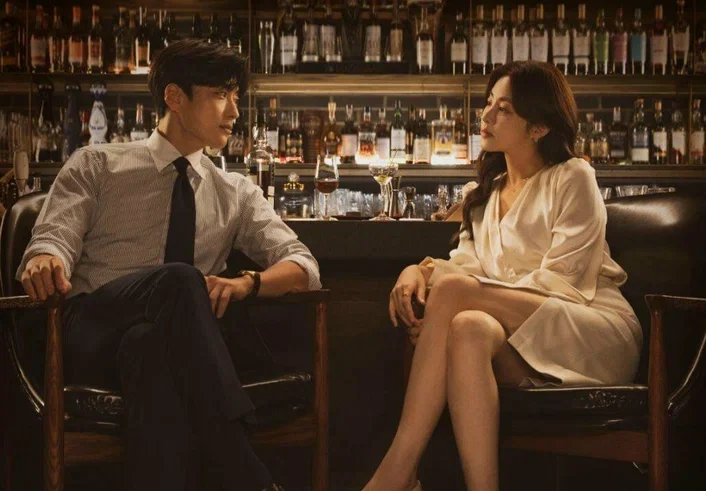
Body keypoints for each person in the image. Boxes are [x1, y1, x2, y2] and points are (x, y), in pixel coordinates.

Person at [17, 40, 321, 491]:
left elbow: (304, 267)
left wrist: (248, 283)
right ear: (175, 97)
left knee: (149, 346)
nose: (234, 111)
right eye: (220, 95)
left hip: (165, 348)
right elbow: (53, 238)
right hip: (90, 332)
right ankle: (246, 470)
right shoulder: (98, 164)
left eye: (236, 96)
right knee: (180, 280)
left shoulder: (234, 192)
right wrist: (45, 257)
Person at [363, 61, 642, 491]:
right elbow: (465, 270)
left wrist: (453, 292)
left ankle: (399, 470)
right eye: (489, 103)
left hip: (588, 332)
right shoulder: (483, 195)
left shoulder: (573, 176)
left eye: (504, 109)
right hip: (522, 339)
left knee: (456, 297)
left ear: (539, 127)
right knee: (468, 326)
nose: (486, 115)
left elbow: (564, 283)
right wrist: (417, 270)